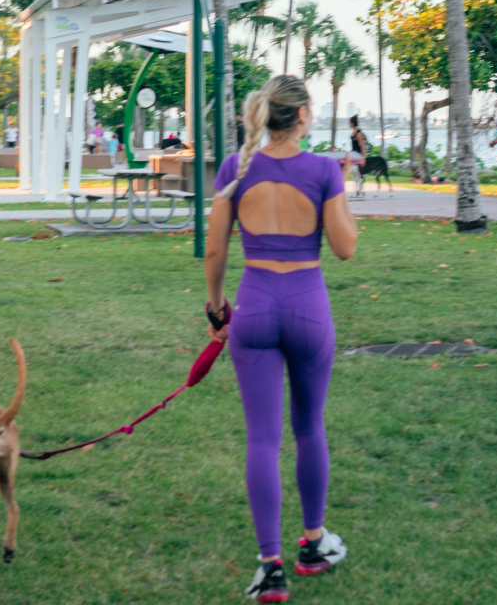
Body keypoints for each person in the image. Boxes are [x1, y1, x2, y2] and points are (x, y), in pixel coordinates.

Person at [203, 75, 357, 603]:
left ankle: (270, 567)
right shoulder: (323, 170)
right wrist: (339, 189)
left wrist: (217, 307)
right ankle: (313, 544)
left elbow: (215, 251)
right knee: (309, 428)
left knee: (262, 439)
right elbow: (345, 248)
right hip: (308, 306)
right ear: (303, 114)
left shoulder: (236, 167)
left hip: (255, 307)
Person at [347, 115, 370, 196]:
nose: (349, 124)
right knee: (355, 174)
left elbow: (362, 146)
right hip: (353, 156)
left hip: (358, 156)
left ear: (352, 123)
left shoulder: (358, 133)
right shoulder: (353, 132)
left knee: (358, 174)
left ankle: (360, 191)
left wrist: (363, 158)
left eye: (350, 122)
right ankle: (356, 192)